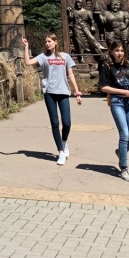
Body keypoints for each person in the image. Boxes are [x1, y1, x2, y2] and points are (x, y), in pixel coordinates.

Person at [21, 34, 82, 166]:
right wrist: (26, 47)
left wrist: (77, 92)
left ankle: (64, 142)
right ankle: (60, 152)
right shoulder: (43, 57)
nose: (47, 43)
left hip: (63, 92)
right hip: (49, 92)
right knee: (55, 123)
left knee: (67, 123)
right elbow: (27, 63)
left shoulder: (65, 56)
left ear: (55, 42)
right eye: (46, 42)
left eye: (49, 41)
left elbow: (70, 74)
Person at [98, 39, 129, 183]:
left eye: (122, 51)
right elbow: (104, 87)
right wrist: (121, 91)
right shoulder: (107, 66)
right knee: (124, 135)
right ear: (111, 52)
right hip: (117, 102)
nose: (120, 53)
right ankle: (124, 168)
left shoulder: (128, 65)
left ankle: (120, 152)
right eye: (117, 50)